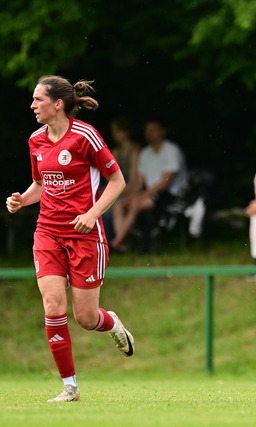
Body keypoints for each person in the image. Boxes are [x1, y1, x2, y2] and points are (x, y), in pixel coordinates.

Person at [5, 75, 135, 402]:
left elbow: (117, 181)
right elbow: (41, 185)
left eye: (38, 100)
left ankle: (112, 323)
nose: (32, 106)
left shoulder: (85, 136)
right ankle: (70, 388)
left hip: (84, 235)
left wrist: (92, 214)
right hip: (47, 232)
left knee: (86, 319)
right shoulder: (36, 140)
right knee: (52, 305)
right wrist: (22, 200)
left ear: (58, 104)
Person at [110, 117, 189, 251]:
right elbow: (139, 182)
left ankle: (116, 242)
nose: (149, 133)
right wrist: (130, 194)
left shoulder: (171, 150)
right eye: (147, 130)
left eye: (153, 130)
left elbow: (165, 183)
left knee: (135, 204)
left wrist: (141, 196)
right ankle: (122, 243)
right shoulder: (145, 153)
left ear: (163, 132)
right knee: (119, 205)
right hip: (152, 194)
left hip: (171, 195)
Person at [102, 116, 140, 241]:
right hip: (115, 184)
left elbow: (134, 178)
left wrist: (117, 191)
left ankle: (111, 240)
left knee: (107, 210)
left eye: (118, 131)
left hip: (128, 186)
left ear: (127, 131)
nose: (115, 134)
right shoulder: (116, 151)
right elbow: (110, 175)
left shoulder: (134, 150)